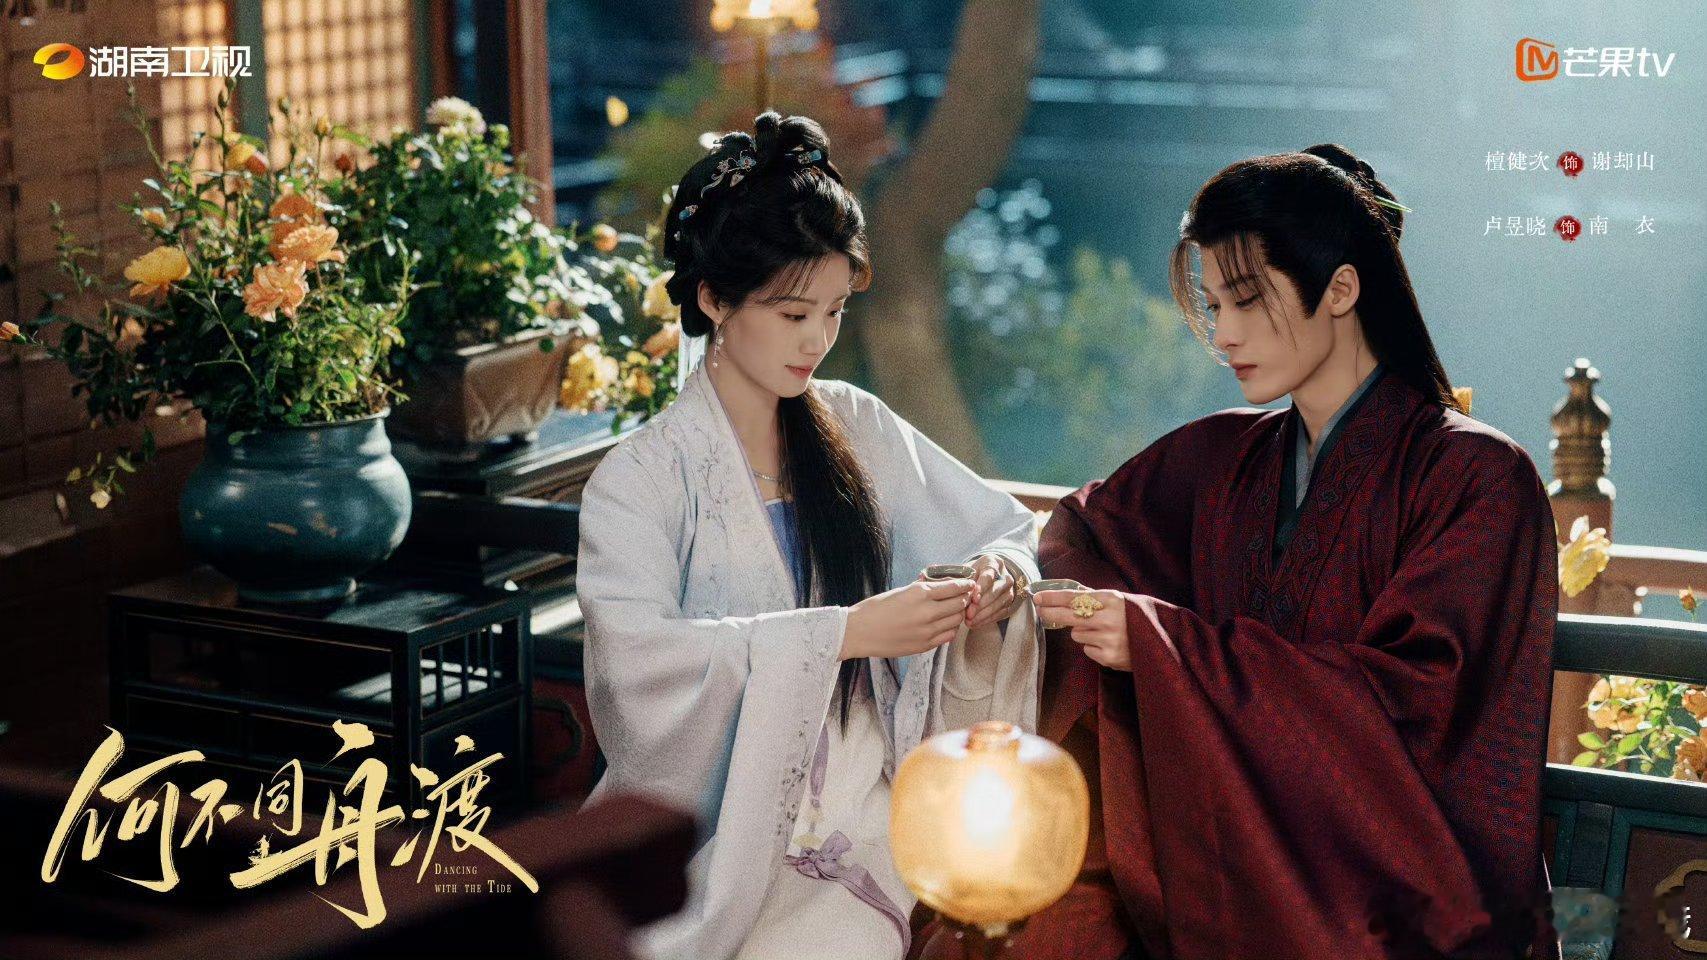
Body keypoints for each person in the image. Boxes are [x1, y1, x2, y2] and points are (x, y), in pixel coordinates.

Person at [1011, 144, 1560, 960]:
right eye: (1212, 305)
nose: (1223, 335)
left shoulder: (1476, 476)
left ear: (1340, 289)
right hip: (1236, 868)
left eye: (1247, 300)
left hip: (1398, 907)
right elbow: (1082, 532)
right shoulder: (1220, 459)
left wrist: (1165, 650)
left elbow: (1418, 709)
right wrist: (1044, 590)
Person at [575, 111, 1043, 960]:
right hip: (707, 833)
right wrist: (845, 634)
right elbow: (636, 669)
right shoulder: (639, 480)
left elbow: (1004, 526)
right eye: (793, 312)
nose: (818, 340)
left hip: (858, 806)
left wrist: (997, 574)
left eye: (832, 311)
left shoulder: (857, 425)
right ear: (713, 299)